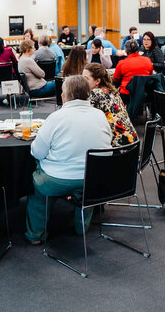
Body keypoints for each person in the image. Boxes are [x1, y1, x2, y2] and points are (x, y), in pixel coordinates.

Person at [24, 75, 112, 244]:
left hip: (57, 180)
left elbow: (37, 152)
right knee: (85, 183)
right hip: (94, 179)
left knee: (38, 187)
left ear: (65, 95)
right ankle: (82, 227)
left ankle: (36, 234)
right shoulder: (101, 115)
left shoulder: (56, 117)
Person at [83, 63, 137, 146]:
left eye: (86, 79)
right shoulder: (111, 91)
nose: (83, 82)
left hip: (118, 150)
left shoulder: (96, 93)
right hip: (132, 145)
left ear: (97, 81)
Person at [112, 39, 152, 105]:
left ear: (126, 51)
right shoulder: (148, 61)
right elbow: (150, 77)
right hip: (144, 94)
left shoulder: (122, 63)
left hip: (127, 95)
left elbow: (116, 80)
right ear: (138, 49)